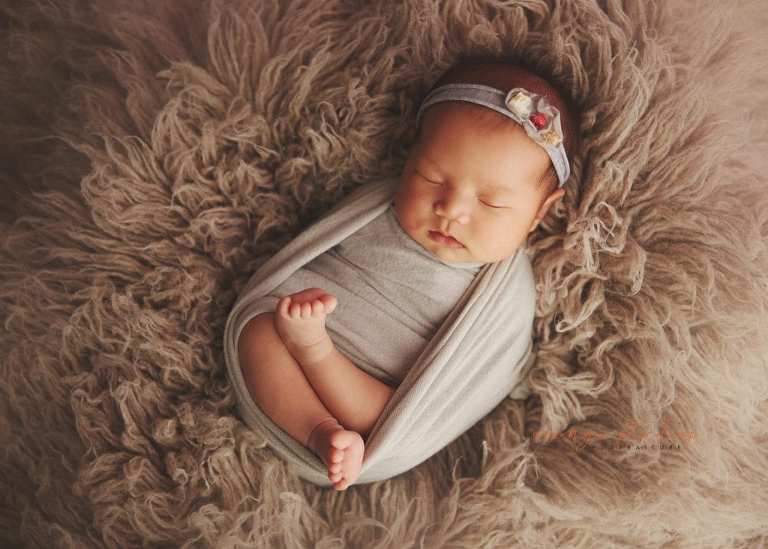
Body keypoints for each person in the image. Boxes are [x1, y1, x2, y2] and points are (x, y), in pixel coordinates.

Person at [235, 59, 580, 490]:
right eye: (431, 177)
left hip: (370, 394)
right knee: (256, 332)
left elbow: (485, 371)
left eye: (491, 203)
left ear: (539, 213)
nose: (451, 210)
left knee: (384, 414)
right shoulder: (375, 208)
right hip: (291, 335)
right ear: (408, 161)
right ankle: (317, 428)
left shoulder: (506, 296)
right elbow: (312, 254)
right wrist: (293, 314)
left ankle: (327, 415)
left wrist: (317, 349)